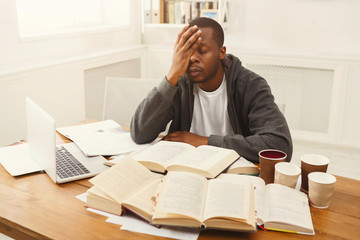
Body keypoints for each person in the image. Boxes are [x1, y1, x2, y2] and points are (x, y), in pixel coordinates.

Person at [130, 17, 292, 163]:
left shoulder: (251, 85)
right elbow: (140, 134)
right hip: (185, 167)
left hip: (233, 171)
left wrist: (204, 141)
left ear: (221, 52)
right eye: (188, 51)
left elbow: (279, 146)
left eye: (202, 51)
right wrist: (171, 74)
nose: (193, 58)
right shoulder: (177, 84)